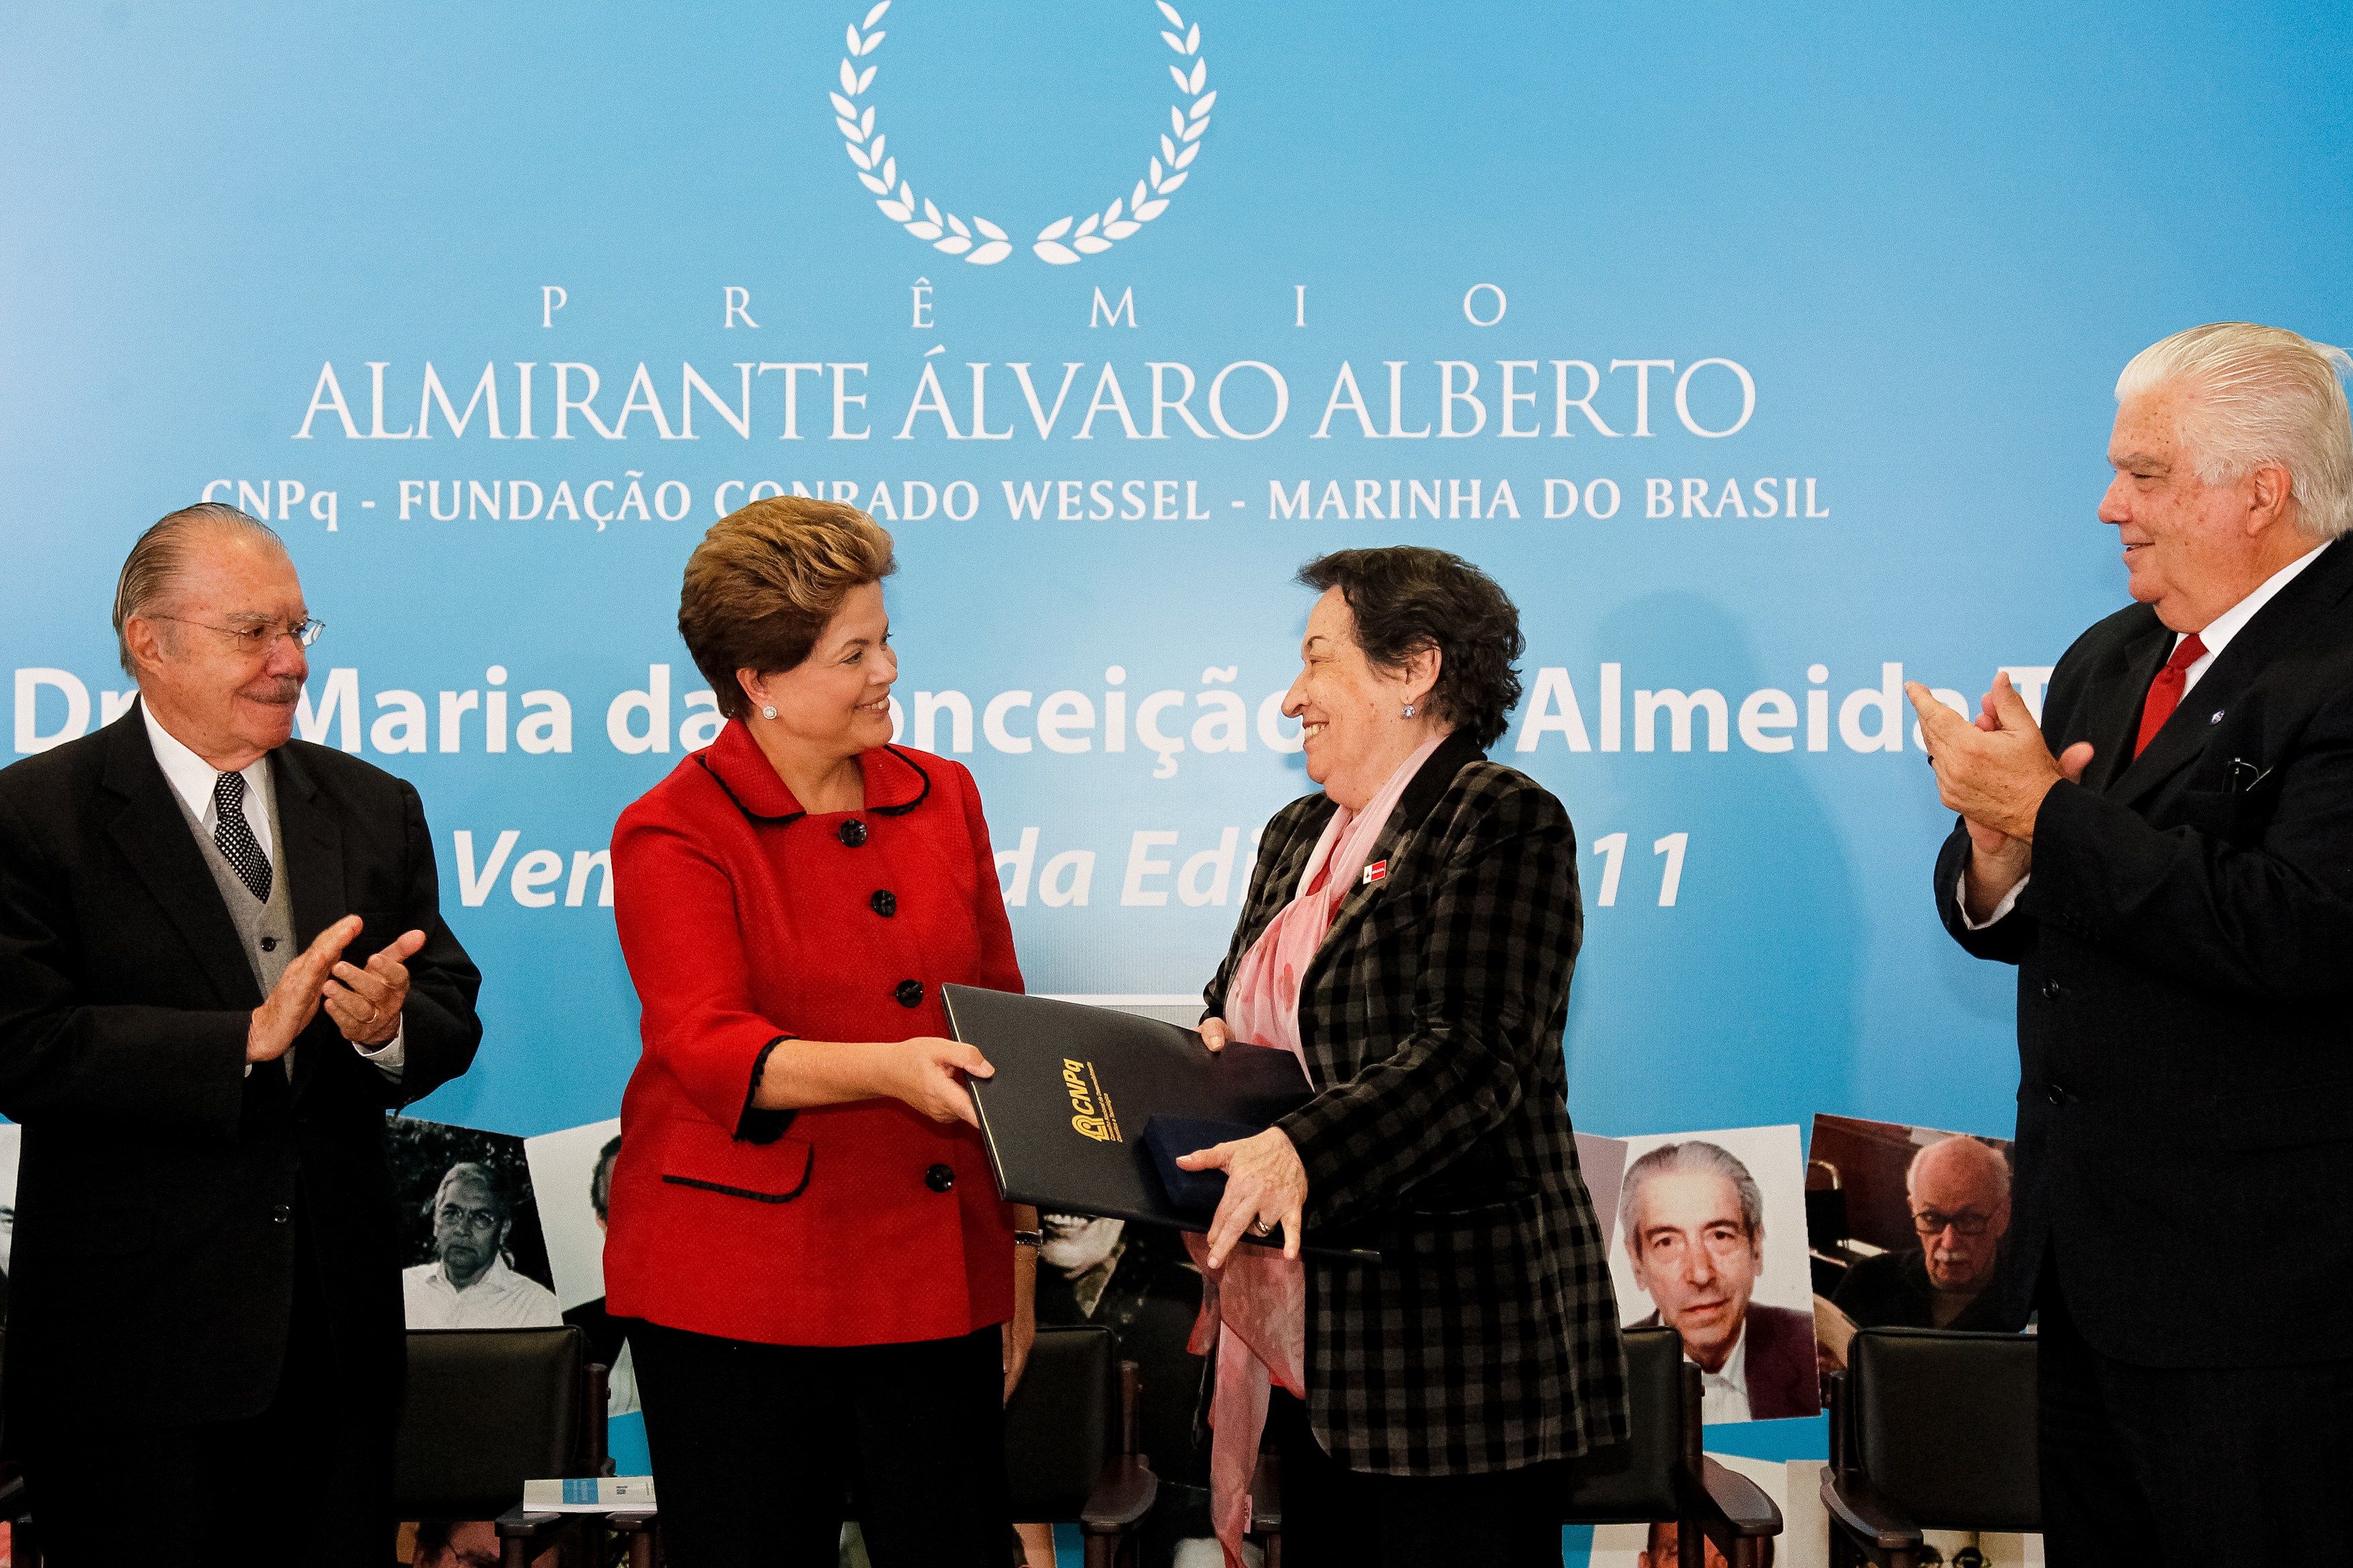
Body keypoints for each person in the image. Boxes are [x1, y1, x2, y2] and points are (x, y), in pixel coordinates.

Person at [1907, 321, 2353, 1564]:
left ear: (2261, 488)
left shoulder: (2340, 659)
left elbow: (2303, 930)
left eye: (2146, 474)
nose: (2111, 506)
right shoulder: (2112, 653)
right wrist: (1997, 857)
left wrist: (2044, 814)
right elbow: (2047, 913)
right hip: (2086, 1270)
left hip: (2264, 1299)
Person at [0, 502, 482, 1564]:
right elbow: (22, 1042)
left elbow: (448, 996)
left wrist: (389, 1030)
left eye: (300, 631)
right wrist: (243, 1039)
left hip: (335, 1347)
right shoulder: (35, 814)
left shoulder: (369, 804)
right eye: (254, 631)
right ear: (149, 641)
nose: (288, 662)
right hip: (130, 1353)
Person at [603, 497, 1036, 1568]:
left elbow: (1004, 1027)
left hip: (938, 1280)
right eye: (854, 652)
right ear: (759, 680)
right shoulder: (671, 829)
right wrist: (890, 1073)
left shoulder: (945, 795)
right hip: (736, 1297)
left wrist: (1018, 1253)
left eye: (885, 637)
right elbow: (705, 1045)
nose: (888, 668)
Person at [1179, 547, 1626, 1568]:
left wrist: (1296, 1150)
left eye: (1318, 660)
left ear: (1414, 667)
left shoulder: (1499, 818)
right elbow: (1236, 1001)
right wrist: (1206, 1058)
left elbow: (1470, 1056)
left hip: (1457, 1354)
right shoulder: (1298, 835)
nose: (1292, 697)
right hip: (1316, 1342)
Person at [1618, 1141, 1818, 1422]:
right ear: (1637, 1263)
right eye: (1666, 1242)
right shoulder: (1605, 1373)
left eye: (1720, 1235)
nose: (1701, 1275)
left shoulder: (1816, 1350)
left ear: (1756, 1248)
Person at [1830, 1136, 2011, 1332]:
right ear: (1913, 1208)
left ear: (2002, 1216)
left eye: (1968, 1221)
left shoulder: (2032, 1299)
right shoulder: (1867, 1283)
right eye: (1931, 1218)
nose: (1949, 1243)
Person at [401, 1161, 562, 1328]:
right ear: (436, 1222)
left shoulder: (536, 1309)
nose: (462, 1229)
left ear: (503, 1230)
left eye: (481, 1218)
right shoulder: (406, 1289)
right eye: (451, 1213)